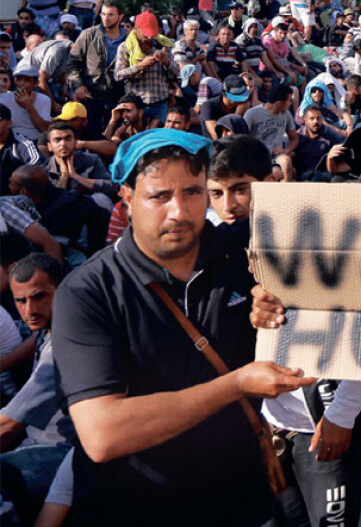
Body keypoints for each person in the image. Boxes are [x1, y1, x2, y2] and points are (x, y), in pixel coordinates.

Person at [51, 129, 315, 524]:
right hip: (134, 509)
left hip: (238, 501)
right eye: (159, 196)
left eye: (192, 192)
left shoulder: (244, 253)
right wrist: (236, 384)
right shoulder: (88, 291)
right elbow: (104, 433)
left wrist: (277, 318)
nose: (179, 211)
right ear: (127, 198)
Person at [0, 254, 75, 527]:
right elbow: (35, 339)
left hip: (60, 451)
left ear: (62, 290)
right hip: (36, 443)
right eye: (21, 301)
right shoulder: (50, 327)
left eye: (40, 296)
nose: (29, 309)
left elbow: (8, 426)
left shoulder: (67, 342)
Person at [114, 12, 178, 125]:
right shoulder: (125, 47)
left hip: (160, 102)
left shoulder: (162, 45)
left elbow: (178, 72)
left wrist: (166, 62)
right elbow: (118, 75)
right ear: (136, 29)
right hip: (136, 105)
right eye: (146, 34)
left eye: (152, 34)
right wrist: (140, 66)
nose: (149, 37)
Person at [67, 0, 128, 116]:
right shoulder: (89, 34)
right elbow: (72, 63)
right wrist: (78, 85)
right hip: (90, 94)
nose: (106, 18)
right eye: (103, 14)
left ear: (120, 17)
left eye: (111, 14)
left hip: (117, 96)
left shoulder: (129, 40)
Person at [44, 120, 117, 211]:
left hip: (90, 213)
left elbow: (112, 187)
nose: (63, 144)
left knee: (101, 199)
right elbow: (49, 203)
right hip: (62, 217)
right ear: (50, 146)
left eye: (68, 139)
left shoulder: (91, 160)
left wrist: (76, 177)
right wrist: (64, 177)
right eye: (57, 140)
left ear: (75, 142)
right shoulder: (44, 170)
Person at [244, 85, 299, 182]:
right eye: (289, 101)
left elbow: (294, 138)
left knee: (286, 161)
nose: (291, 103)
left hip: (275, 156)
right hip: (257, 157)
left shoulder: (286, 115)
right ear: (279, 103)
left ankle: (286, 194)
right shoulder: (252, 113)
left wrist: (286, 151)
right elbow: (242, 139)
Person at [3, 60, 52, 139]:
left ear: (36, 83)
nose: (22, 83)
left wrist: (29, 107)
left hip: (36, 138)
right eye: (19, 79)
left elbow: (44, 129)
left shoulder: (44, 100)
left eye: (27, 80)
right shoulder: (4, 99)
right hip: (11, 139)